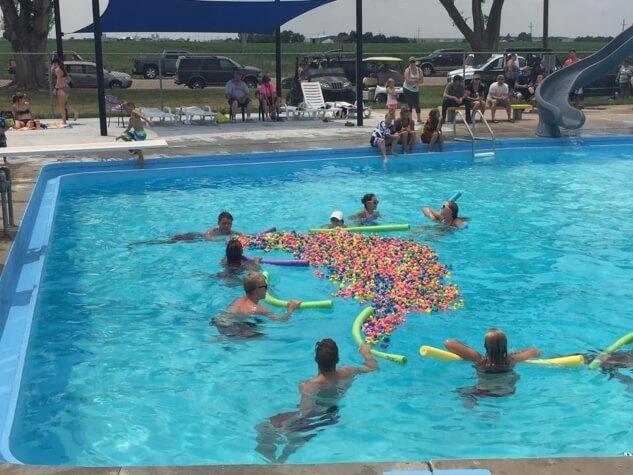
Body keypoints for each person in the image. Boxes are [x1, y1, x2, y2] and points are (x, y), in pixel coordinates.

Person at [255, 339, 377, 463]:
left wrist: (284, 427)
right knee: (290, 442)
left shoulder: (308, 385)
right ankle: (282, 458)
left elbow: (304, 412)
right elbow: (372, 368)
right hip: (331, 416)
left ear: (316, 360)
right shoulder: (349, 371)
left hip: (312, 419)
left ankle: (272, 462)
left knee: (262, 427)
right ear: (338, 359)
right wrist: (366, 353)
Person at [444, 328, 540, 407]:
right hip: (507, 391)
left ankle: (472, 409)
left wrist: (469, 349)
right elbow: (535, 351)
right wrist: (515, 353)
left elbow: (448, 343)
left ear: (485, 345)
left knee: (462, 391)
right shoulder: (511, 360)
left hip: (483, 392)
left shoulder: (480, 361)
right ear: (505, 345)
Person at [211, 272, 301, 338]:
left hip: (217, 321)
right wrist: (291, 308)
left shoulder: (238, 300)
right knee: (264, 336)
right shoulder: (259, 309)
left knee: (256, 324)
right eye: (265, 287)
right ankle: (223, 340)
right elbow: (282, 320)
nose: (267, 289)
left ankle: (220, 339)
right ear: (256, 291)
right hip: (231, 328)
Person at [127, 211, 241, 247]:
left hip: (195, 239)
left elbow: (245, 235)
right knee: (167, 241)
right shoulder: (212, 231)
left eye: (229, 223)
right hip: (192, 237)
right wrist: (224, 241)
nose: (226, 226)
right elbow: (208, 239)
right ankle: (140, 243)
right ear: (218, 223)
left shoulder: (233, 232)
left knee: (167, 241)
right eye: (224, 223)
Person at [116, 102, 151, 168]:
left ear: (131, 107)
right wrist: (120, 136)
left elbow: (141, 115)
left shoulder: (134, 112)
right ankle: (134, 150)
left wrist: (148, 121)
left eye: (126, 108)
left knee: (140, 152)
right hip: (136, 134)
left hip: (141, 134)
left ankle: (142, 167)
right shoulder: (131, 119)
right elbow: (128, 129)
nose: (126, 110)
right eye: (125, 109)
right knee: (124, 136)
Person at [51, 57, 78, 124]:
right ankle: (74, 112)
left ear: (56, 63)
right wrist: (65, 82)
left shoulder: (57, 70)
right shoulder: (63, 69)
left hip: (61, 89)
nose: (54, 66)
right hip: (67, 88)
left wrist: (55, 88)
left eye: (54, 64)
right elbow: (69, 79)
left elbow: (58, 81)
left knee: (61, 106)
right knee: (65, 104)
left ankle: (64, 121)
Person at [403, 57, 424, 123]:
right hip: (407, 89)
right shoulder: (407, 70)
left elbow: (422, 80)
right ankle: (410, 119)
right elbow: (407, 81)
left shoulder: (419, 70)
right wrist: (417, 80)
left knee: (417, 104)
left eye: (413, 62)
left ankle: (418, 118)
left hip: (415, 89)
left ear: (415, 63)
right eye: (411, 62)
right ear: (409, 63)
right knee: (409, 104)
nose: (412, 64)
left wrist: (414, 81)